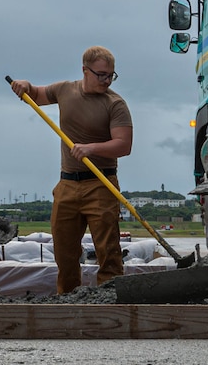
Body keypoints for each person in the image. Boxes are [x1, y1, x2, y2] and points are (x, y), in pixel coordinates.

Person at [11, 47, 134, 295]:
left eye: (111, 75)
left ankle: (111, 299)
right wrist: (24, 85)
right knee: (64, 251)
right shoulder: (65, 90)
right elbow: (36, 94)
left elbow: (124, 145)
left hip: (101, 184)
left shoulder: (115, 104)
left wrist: (91, 149)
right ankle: (66, 299)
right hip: (67, 184)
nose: (106, 80)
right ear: (84, 70)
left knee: (108, 252)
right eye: (101, 74)